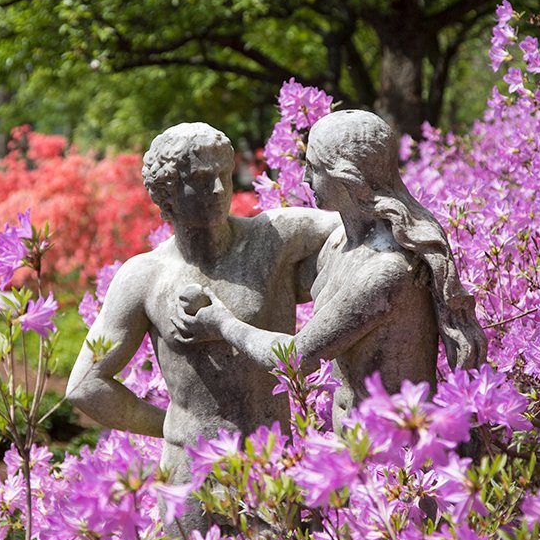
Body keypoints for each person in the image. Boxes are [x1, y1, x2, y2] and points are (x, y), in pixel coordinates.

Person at [66, 123, 338, 532]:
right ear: (167, 194)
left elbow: (353, 227)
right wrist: (175, 428)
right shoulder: (145, 276)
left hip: (268, 466)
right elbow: (85, 386)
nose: (215, 189)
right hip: (190, 475)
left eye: (222, 176)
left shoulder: (274, 238)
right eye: (198, 179)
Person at [173, 110, 487, 425]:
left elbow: (295, 358)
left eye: (313, 168)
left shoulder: (386, 271)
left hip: (394, 451)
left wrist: (222, 323)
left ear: (347, 178)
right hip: (353, 449)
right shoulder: (340, 239)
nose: (305, 179)